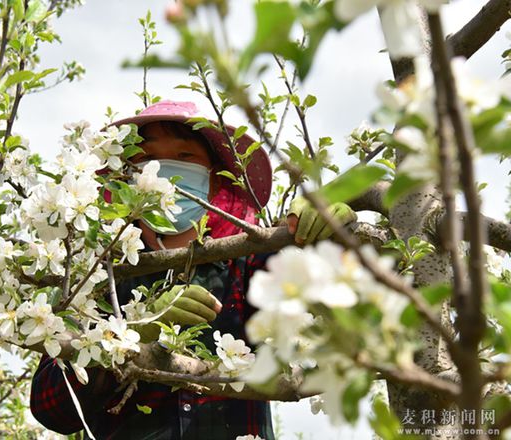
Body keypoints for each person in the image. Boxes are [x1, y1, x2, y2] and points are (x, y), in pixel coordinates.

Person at [30, 101, 356, 439]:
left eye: (186, 157)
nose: (165, 172)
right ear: (124, 178)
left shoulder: (247, 265)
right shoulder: (98, 275)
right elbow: (50, 406)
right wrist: (133, 336)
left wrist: (327, 235)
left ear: (214, 179)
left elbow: (332, 335)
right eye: (145, 159)